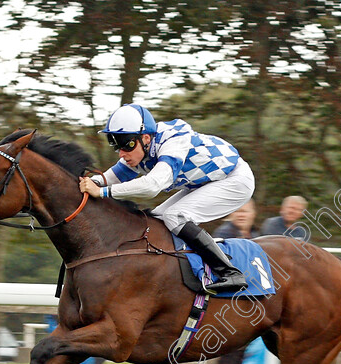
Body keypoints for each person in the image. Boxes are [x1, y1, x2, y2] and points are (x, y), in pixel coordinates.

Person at [79, 103, 255, 294]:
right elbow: (109, 177)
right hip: (205, 182)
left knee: (174, 216)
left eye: (127, 144)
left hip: (235, 179)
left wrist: (103, 192)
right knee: (156, 220)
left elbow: (152, 186)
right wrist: (84, 182)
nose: (122, 153)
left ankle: (230, 273)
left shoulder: (172, 141)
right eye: (117, 146)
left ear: (146, 138)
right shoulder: (140, 149)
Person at [211, 200, 258, 364]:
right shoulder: (224, 233)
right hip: (227, 299)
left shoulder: (256, 236)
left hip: (248, 298)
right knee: (232, 346)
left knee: (238, 348)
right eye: (238, 211)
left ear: (253, 214)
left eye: (245, 211)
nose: (241, 215)